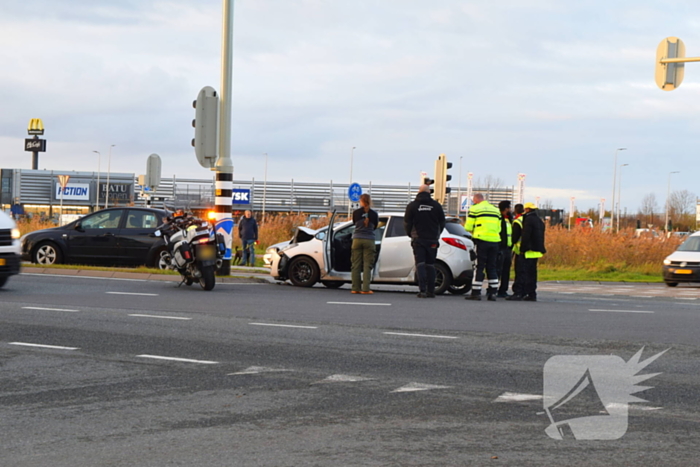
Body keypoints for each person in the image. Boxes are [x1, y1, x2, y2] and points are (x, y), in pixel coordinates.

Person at [404, 184, 445, 298]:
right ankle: (431, 291)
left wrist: (410, 234)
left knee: (420, 264)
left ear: (419, 192)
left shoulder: (412, 206)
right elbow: (442, 222)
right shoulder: (436, 206)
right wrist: (436, 235)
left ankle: (422, 290)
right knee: (430, 265)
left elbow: (407, 223)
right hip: (432, 239)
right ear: (429, 192)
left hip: (418, 239)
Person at [464, 193, 501, 301]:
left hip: (481, 241)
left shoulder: (475, 209)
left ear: (475, 200)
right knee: (492, 266)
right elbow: (498, 228)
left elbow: (468, 227)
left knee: (479, 266)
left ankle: (476, 292)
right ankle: (493, 292)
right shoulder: (495, 209)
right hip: (495, 241)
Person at [509, 202, 546, 301]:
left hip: (525, 251)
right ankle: (531, 294)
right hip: (536, 252)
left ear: (527, 209)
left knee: (521, 272)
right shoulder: (539, 221)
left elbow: (523, 236)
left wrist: (522, 249)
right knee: (532, 274)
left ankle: (518, 293)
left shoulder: (524, 220)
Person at [351, 194, 379, 294]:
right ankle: (366, 288)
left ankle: (355, 288)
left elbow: (354, 223)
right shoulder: (374, 214)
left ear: (361, 201)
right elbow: (375, 226)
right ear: (369, 201)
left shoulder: (356, 213)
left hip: (357, 239)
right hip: (369, 240)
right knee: (367, 265)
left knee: (356, 265)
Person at [507, 203, 525, 300]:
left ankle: (517, 292)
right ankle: (524, 291)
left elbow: (515, 237)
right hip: (527, 250)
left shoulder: (517, 221)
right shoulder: (526, 219)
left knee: (519, 271)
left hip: (518, 250)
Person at [497, 200, 513, 298]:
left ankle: (503, 290)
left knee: (506, 271)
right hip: (500, 248)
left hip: (508, 248)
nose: (510, 209)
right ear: (506, 209)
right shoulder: (499, 219)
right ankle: (493, 289)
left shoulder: (509, 219)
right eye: (509, 208)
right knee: (498, 270)